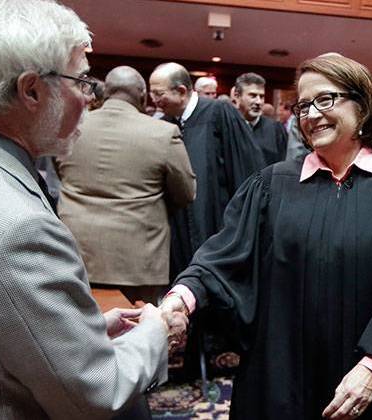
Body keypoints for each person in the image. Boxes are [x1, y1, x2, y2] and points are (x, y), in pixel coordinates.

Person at [0, 0, 184, 418]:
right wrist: (156, 332)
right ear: (32, 90)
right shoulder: (18, 228)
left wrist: (83, 330)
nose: (89, 99)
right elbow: (96, 393)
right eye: (82, 81)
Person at [160, 54, 372, 419]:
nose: (311, 114)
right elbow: (225, 258)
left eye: (325, 100)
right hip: (276, 382)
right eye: (303, 105)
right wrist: (182, 298)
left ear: (363, 103)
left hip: (362, 389)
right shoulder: (271, 185)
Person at [56, 66, 196, 305]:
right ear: (142, 95)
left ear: (104, 92)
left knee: (73, 331)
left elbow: (60, 169)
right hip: (138, 259)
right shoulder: (163, 133)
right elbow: (186, 193)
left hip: (75, 252)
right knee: (134, 334)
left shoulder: (71, 125)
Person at [148, 62, 265, 278]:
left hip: (218, 226)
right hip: (179, 233)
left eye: (158, 93)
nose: (153, 99)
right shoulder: (165, 124)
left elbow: (245, 169)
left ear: (181, 91)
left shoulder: (219, 113)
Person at [233, 72, 287, 165]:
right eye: (253, 96)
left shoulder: (276, 129)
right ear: (237, 96)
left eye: (261, 96)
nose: (258, 101)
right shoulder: (229, 128)